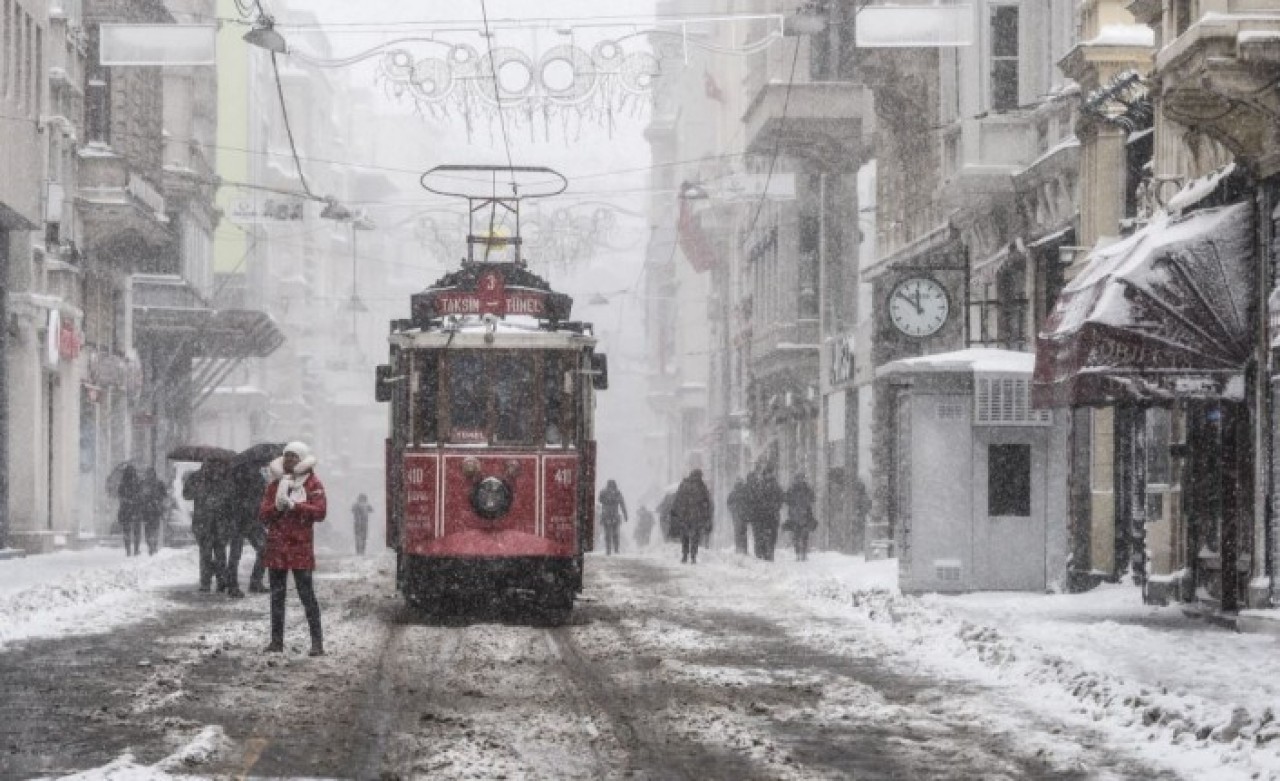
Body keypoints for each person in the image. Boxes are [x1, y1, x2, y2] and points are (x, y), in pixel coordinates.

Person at [259, 441, 327, 656]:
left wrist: (296, 506)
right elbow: (263, 515)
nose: (289, 460)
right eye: (286, 456)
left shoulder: (313, 484)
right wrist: (277, 507)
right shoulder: (274, 485)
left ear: (302, 459)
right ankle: (276, 641)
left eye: (294, 456)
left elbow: (320, 512)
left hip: (300, 547)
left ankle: (317, 643)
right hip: (277, 547)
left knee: (307, 596)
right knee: (276, 597)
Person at [184, 461, 233, 591]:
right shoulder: (196, 477)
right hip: (204, 522)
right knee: (207, 552)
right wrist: (198, 490)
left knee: (219, 552)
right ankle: (207, 581)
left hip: (217, 522)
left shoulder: (222, 478)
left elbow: (230, 498)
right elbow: (186, 495)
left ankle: (219, 580)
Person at [224, 462, 268, 598]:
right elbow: (230, 498)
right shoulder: (239, 478)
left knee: (263, 549)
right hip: (243, 519)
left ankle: (245, 583)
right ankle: (237, 585)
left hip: (249, 519)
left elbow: (262, 498)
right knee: (239, 553)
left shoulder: (254, 478)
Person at [669, 469, 713, 564]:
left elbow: (677, 499)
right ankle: (693, 555)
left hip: (684, 515)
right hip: (696, 515)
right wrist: (707, 515)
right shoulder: (701, 486)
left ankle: (685, 554)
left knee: (685, 535)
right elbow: (707, 501)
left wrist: (675, 512)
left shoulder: (684, 484)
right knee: (695, 536)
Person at [752, 464, 785, 562]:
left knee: (772, 536)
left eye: (770, 473)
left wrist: (775, 507)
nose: (769, 475)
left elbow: (781, 499)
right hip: (761, 516)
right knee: (761, 536)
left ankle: (769, 554)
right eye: (767, 473)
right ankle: (762, 553)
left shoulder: (776, 486)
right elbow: (755, 499)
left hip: (772, 516)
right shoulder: (760, 485)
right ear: (764, 474)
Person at [783, 473, 818, 561]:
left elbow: (813, 499)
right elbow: (787, 500)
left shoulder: (803, 488)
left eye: (801, 478)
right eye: (799, 478)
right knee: (798, 535)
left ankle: (802, 553)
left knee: (802, 535)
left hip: (803, 515)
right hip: (798, 515)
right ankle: (799, 553)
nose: (800, 480)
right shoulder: (795, 489)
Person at [115, 465, 144, 557]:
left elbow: (120, 496)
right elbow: (141, 496)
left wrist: (127, 501)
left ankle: (128, 550)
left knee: (127, 531)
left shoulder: (123, 484)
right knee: (136, 531)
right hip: (135, 510)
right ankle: (136, 549)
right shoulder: (137, 483)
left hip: (126, 510)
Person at [141, 470, 170, 556]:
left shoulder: (144, 483)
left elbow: (140, 496)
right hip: (155, 510)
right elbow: (165, 495)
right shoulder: (159, 483)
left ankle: (151, 545)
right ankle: (153, 545)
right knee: (154, 529)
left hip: (148, 510)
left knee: (148, 529)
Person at [597, 480, 628, 555]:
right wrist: (625, 515)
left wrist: (608, 499)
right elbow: (622, 504)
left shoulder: (604, 492)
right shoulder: (617, 493)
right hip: (614, 515)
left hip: (606, 515)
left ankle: (609, 550)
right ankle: (616, 550)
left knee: (608, 534)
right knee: (615, 534)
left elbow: (600, 500)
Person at [727, 477, 750, 555]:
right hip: (742, 515)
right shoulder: (745, 493)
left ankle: (739, 549)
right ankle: (743, 549)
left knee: (738, 532)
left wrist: (733, 510)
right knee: (743, 532)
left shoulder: (734, 493)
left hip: (737, 515)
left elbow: (729, 503)